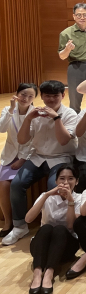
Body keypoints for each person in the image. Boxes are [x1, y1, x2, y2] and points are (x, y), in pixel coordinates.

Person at [4, 81, 78, 246]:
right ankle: (19, 226)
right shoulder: (35, 113)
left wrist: (56, 118)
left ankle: (55, 228)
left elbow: (64, 140)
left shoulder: (70, 114)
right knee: (16, 184)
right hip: (38, 157)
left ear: (63, 95)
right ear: (42, 96)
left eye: (55, 96)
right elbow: (22, 140)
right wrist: (28, 118)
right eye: (47, 96)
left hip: (61, 157)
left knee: (55, 187)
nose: (51, 99)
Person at [25, 164, 80, 294]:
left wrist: (70, 201)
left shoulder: (80, 197)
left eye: (70, 178)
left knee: (60, 229)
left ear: (77, 181)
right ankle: (37, 274)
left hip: (66, 247)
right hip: (42, 246)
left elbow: (70, 225)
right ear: (55, 181)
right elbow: (28, 219)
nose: (66, 182)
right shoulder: (46, 196)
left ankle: (49, 274)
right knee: (46, 228)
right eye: (62, 178)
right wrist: (46, 195)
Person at [0, 83, 37, 237]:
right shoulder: (8, 110)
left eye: (30, 96)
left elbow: (35, 141)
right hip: (9, 155)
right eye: (23, 94)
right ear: (17, 94)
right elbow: (1, 128)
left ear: (34, 98)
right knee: (3, 184)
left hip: (28, 155)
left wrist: (22, 159)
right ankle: (8, 221)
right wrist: (10, 109)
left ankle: (17, 221)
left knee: (14, 184)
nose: (26, 98)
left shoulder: (35, 114)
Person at [58, 3, 86, 113]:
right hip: (75, 68)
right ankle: (74, 123)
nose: (82, 17)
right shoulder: (66, 33)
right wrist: (67, 49)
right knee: (75, 101)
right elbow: (62, 56)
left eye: (85, 15)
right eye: (79, 15)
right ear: (74, 16)